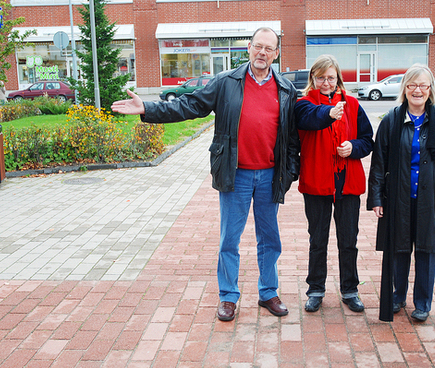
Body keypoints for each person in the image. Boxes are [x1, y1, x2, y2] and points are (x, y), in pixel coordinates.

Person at [111, 27, 300, 322]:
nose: (262, 53)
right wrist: (147, 108)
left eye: (269, 48)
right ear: (249, 48)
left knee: (269, 238)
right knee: (229, 240)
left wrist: (289, 172)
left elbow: (291, 136)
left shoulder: (286, 89)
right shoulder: (226, 82)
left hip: (269, 175)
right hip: (234, 174)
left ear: (276, 53)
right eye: (257, 46)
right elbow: (190, 104)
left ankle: (268, 292)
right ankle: (228, 296)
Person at [367, 63, 435, 322]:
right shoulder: (391, 121)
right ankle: (397, 297)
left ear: (431, 89)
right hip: (398, 197)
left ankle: (422, 303)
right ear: (404, 88)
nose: (417, 90)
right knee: (398, 249)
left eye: (423, 85)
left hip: (430, 198)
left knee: (427, 250)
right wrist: (375, 198)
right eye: (412, 85)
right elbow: (379, 163)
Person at [294, 55, 373, 313]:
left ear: (338, 78)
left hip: (347, 181)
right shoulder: (303, 104)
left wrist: (354, 147)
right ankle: (315, 289)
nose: (326, 83)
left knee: (348, 240)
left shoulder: (351, 104)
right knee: (318, 239)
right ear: (313, 79)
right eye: (320, 78)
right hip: (317, 181)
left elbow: (367, 140)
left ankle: (350, 290)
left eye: (330, 77)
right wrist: (329, 112)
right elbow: (311, 119)